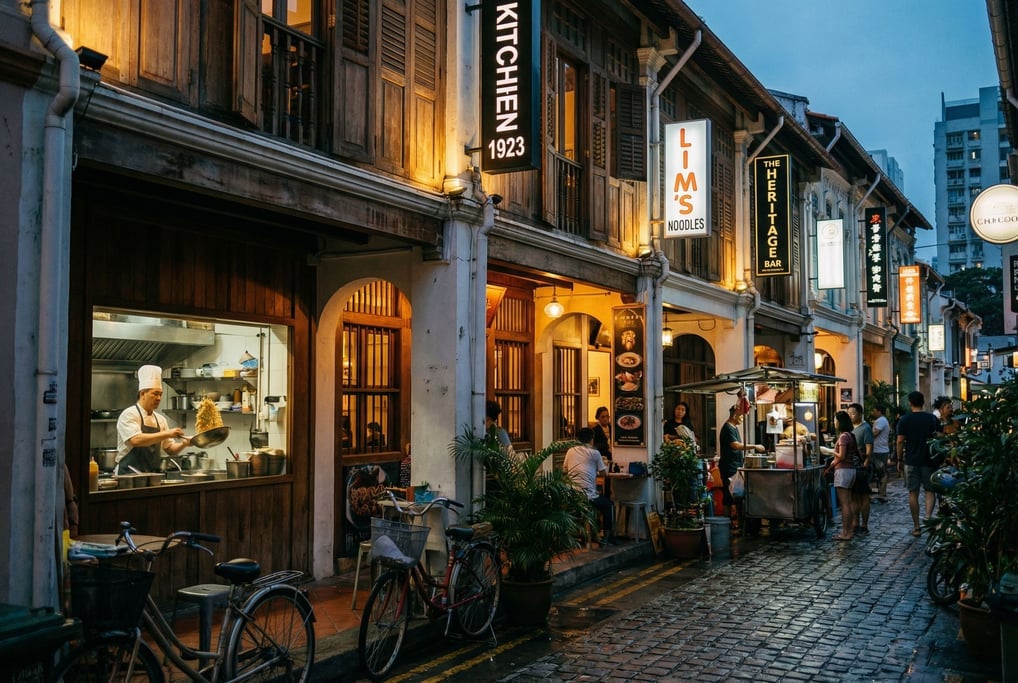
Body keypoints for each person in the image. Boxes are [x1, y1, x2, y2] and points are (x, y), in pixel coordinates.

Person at [116, 364, 190, 474]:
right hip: (128, 475)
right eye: (155, 394)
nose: (159, 398)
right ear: (143, 394)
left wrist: (184, 443)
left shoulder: (160, 420)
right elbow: (136, 440)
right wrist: (168, 434)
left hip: (152, 475)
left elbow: (170, 449)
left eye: (160, 394)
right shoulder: (129, 414)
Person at [896, 391, 942, 537]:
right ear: (923, 402)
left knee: (913, 493)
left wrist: (898, 459)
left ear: (910, 403)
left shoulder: (904, 420)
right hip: (929, 459)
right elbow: (940, 438)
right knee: (929, 490)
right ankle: (928, 518)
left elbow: (900, 441)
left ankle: (916, 526)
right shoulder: (932, 419)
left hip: (911, 460)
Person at [563, 427, 614, 546]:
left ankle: (587, 534)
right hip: (588, 497)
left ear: (577, 439)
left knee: (596, 503)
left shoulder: (570, 451)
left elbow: (564, 470)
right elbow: (603, 473)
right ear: (591, 439)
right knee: (608, 505)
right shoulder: (595, 453)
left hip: (572, 495)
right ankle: (606, 536)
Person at [719, 404, 765, 529]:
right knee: (729, 495)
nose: (742, 419)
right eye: (741, 417)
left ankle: (740, 524)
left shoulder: (734, 427)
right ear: (735, 415)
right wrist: (754, 446)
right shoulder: (728, 428)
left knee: (737, 496)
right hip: (729, 466)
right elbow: (736, 446)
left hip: (736, 465)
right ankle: (726, 525)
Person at [826, 410, 859, 541]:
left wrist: (830, 451)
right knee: (849, 502)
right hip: (850, 470)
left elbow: (842, 456)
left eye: (835, 420)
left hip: (843, 471)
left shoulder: (843, 437)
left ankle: (846, 532)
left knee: (844, 503)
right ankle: (849, 530)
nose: (834, 423)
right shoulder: (851, 435)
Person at [848, 402, 873, 534]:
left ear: (860, 414)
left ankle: (864, 524)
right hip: (851, 465)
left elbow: (869, 448)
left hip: (861, 466)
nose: (851, 416)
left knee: (863, 496)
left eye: (853, 413)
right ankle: (855, 522)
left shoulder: (865, 428)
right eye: (849, 414)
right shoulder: (849, 428)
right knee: (853, 496)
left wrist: (866, 462)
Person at [870, 404, 891, 501]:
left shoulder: (881, 421)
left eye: (874, 410)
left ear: (879, 411)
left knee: (881, 471)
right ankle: (881, 492)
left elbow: (874, 433)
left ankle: (882, 493)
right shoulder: (880, 420)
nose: (873, 412)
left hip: (880, 450)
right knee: (879, 471)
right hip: (879, 449)